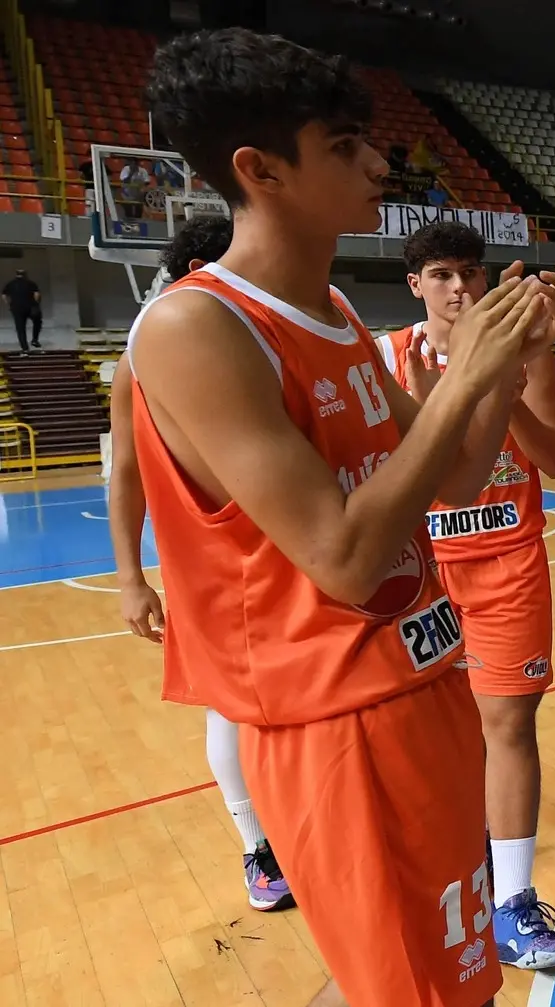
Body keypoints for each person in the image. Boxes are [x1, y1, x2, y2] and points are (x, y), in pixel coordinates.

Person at [137, 27, 555, 1006]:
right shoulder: (196, 326)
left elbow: (458, 478)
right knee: (416, 990)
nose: (379, 163)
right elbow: (343, 557)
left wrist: (503, 364)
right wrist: (469, 372)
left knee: (455, 980)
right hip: (336, 720)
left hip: (423, 677)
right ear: (260, 170)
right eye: (343, 145)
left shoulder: (329, 307)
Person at [375, 221, 555, 971]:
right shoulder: (387, 356)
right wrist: (436, 408)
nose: (459, 288)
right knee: (435, 737)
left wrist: (505, 391)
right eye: (442, 275)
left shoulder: (525, 344)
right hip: (423, 570)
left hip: (507, 561)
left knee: (509, 724)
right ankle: (450, 876)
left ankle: (514, 901)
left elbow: (554, 457)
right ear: (415, 285)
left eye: (470, 272)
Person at [106, 215, 297, 914]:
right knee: (230, 709)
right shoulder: (147, 352)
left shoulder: (274, 332)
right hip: (211, 566)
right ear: (198, 271)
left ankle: (305, 829)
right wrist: (131, 578)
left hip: (291, 550)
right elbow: (126, 473)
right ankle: (258, 848)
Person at [4, 268, 41, 350]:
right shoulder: (30, 283)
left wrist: (9, 304)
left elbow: (4, 295)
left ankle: (25, 348)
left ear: (16, 274)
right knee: (37, 321)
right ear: (25, 274)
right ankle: (35, 339)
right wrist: (36, 304)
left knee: (20, 328)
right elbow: (36, 294)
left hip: (16, 308)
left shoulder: (11, 284)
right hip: (30, 307)